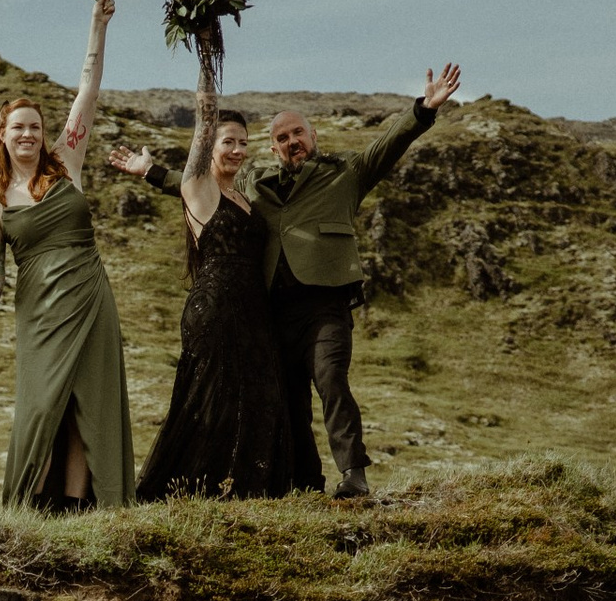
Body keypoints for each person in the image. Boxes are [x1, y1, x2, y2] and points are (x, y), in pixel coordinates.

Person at [254, 71, 462, 500]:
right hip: (274, 311)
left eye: (298, 133)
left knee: (331, 379)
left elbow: (388, 145)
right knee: (290, 400)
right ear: (274, 149)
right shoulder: (255, 185)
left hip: (325, 307)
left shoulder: (345, 171)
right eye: (282, 137)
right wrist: (153, 173)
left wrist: (424, 109)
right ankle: (304, 483)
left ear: (313, 135)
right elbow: (204, 189)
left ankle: (354, 475)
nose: (292, 141)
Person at [0, 0, 135, 514]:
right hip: (39, 310)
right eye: (17, 127)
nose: (27, 134)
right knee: (42, 407)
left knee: (91, 402)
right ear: (2, 135)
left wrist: (97, 26)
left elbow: (89, 89)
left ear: (46, 134)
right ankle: (29, 506)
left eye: (35, 127)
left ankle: (78, 506)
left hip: (90, 297)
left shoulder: (66, 163)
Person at [118, 49, 295, 503]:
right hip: (215, 308)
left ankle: (247, 493)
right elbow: (203, 118)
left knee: (258, 397)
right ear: (209, 148)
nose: (236, 150)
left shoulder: (245, 197)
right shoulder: (198, 186)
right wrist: (206, 50)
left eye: (243, 143)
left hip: (254, 311)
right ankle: (187, 493)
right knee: (210, 398)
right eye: (227, 142)